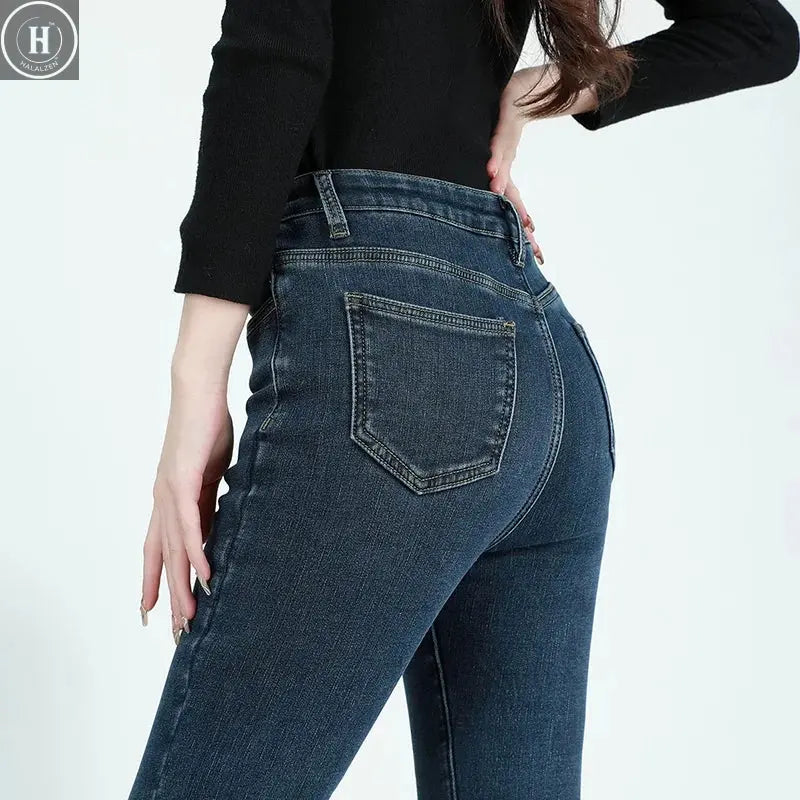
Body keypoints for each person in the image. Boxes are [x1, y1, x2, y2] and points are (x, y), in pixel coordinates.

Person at [129, 1, 798, 798]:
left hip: (397, 361)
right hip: (546, 369)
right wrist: (534, 90)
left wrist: (194, 390)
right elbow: (760, 31)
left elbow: (273, 58)